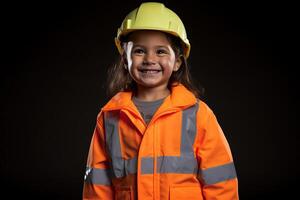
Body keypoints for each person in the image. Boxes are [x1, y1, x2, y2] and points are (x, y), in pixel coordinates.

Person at [82, 2, 239, 199]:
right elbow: (97, 185)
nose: (150, 59)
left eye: (161, 51)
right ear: (124, 59)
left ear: (178, 62)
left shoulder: (198, 114)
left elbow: (220, 181)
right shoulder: (110, 117)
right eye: (139, 50)